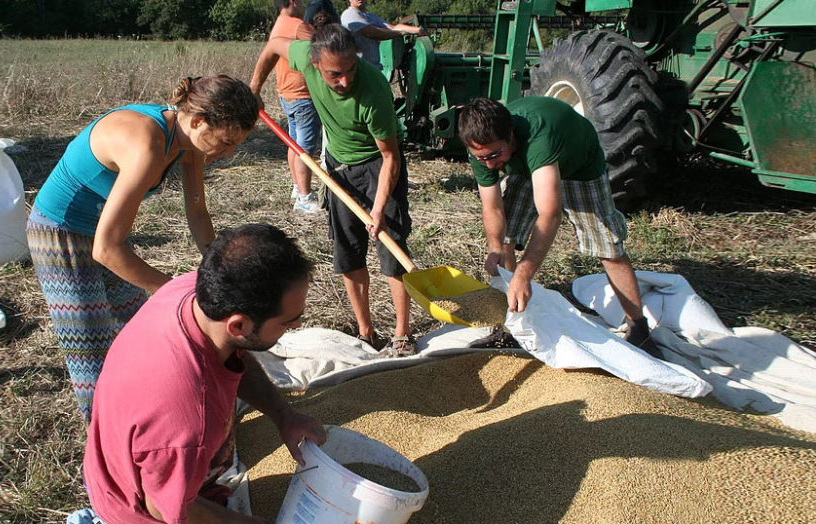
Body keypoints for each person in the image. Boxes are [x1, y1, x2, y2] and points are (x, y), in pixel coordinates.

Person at [18, 224, 327, 524]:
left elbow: (237, 356)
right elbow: (172, 512)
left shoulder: (188, 292)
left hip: (119, 472)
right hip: (148, 514)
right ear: (239, 324)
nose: (298, 326)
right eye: (289, 321)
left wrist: (283, 415)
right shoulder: (188, 413)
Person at [26, 75, 259, 422]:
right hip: (61, 232)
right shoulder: (147, 144)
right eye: (225, 142)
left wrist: (216, 268)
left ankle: (149, 412)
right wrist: (179, 291)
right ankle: (106, 437)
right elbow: (107, 250)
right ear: (197, 121)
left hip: (104, 226)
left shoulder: (189, 143)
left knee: (137, 327)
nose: (226, 154)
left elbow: (196, 209)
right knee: (90, 347)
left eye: (234, 146)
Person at [250, 24, 416, 357]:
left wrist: (379, 209)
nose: (345, 81)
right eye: (334, 74)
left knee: (392, 251)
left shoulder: (373, 90)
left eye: (350, 70)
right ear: (314, 63)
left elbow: (390, 157)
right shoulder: (303, 56)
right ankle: (366, 332)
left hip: (377, 166)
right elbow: (272, 46)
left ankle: (401, 334)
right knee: (349, 252)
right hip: (338, 167)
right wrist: (254, 88)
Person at [458, 96, 662, 355]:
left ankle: (639, 330)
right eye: (481, 157)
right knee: (506, 238)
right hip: (527, 167)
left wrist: (524, 274)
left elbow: (549, 214)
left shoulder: (539, 137)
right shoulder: (482, 148)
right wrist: (495, 246)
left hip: (579, 168)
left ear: (510, 135)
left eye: (494, 155)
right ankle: (509, 329)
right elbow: (492, 206)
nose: (488, 164)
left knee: (607, 246)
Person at [268, 0, 324, 214]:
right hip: (302, 94)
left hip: (288, 93)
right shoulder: (297, 25)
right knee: (305, 149)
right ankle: (304, 197)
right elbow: (325, 45)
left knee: (294, 143)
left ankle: (296, 187)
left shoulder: (280, 22)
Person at [340, 0, 427, 71]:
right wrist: (401, 33)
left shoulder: (370, 16)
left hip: (373, 69)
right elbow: (372, 33)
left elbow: (393, 28)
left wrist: (417, 30)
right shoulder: (349, 15)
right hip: (358, 71)